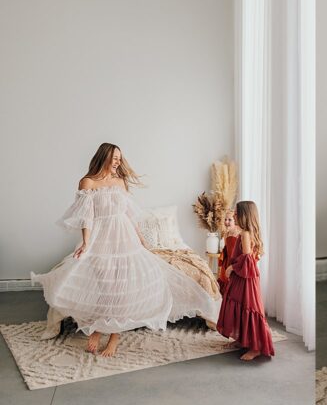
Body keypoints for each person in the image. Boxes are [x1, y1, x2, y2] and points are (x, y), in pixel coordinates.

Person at [33, 143, 218, 357]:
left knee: (122, 289)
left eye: (120, 158)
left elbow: (130, 216)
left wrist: (142, 241)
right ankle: (98, 326)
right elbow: (87, 217)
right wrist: (85, 242)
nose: (118, 162)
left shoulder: (120, 182)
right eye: (114, 158)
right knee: (105, 288)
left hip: (125, 239)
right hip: (101, 240)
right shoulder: (87, 182)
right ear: (103, 157)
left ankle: (112, 337)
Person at [216, 201, 275, 361]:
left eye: (236, 213)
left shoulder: (245, 234)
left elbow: (247, 260)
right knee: (239, 305)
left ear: (244, 215)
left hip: (246, 279)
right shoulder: (247, 232)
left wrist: (231, 268)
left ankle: (255, 347)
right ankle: (242, 339)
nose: (233, 215)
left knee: (248, 307)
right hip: (244, 278)